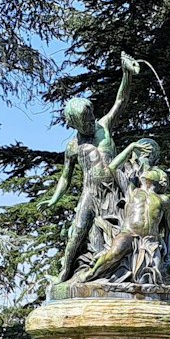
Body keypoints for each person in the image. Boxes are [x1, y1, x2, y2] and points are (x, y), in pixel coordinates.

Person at [40, 54, 140, 282]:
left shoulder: (103, 127)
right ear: (74, 123)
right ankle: (63, 274)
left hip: (117, 188)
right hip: (91, 191)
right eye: (85, 121)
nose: (91, 122)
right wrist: (55, 199)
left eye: (91, 117)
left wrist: (126, 73)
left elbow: (120, 101)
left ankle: (131, 269)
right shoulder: (73, 147)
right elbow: (65, 178)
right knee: (77, 230)